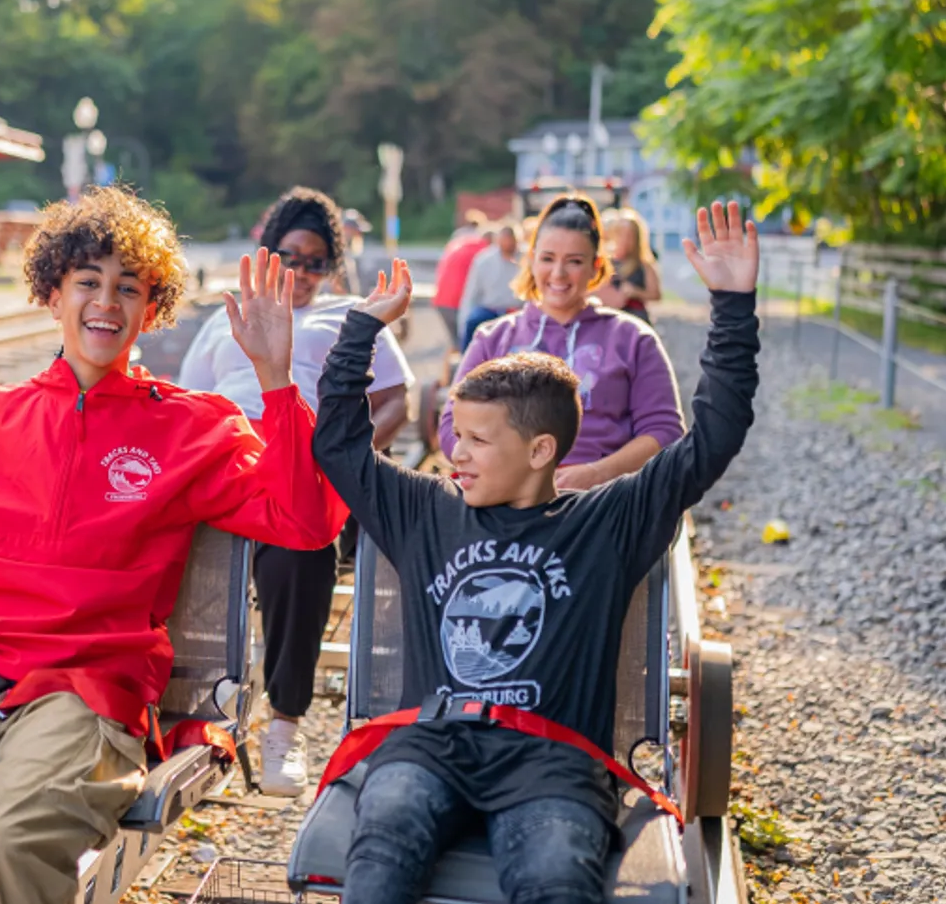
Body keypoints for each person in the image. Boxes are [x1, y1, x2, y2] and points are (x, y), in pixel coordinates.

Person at [0, 188, 346, 904]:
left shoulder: (192, 428)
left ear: (152, 309)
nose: (106, 301)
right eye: (88, 280)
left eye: (129, 287)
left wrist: (275, 379)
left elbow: (305, 523)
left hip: (85, 693)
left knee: (12, 844)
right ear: (54, 294)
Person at [311, 201, 761, 904]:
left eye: (477, 441)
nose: (454, 453)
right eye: (455, 435)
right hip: (430, 746)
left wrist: (733, 303)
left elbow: (711, 435)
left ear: (541, 450)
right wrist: (364, 327)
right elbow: (336, 443)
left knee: (556, 876)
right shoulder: (428, 508)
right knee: (386, 839)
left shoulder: (605, 523)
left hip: (552, 761)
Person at [177, 186, 414, 797]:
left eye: (316, 262)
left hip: (307, 465)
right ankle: (169, 704)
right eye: (291, 257)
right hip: (228, 463)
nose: (303, 273)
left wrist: (348, 462)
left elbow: (395, 401)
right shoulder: (226, 320)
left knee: (303, 549)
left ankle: (285, 719)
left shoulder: (348, 316)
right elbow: (188, 407)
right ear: (267, 253)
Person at [439, 194, 683, 491]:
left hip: (603, 498)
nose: (558, 274)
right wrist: (511, 476)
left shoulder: (634, 338)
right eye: (548, 259)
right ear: (531, 261)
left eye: (575, 262)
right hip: (505, 497)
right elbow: (451, 424)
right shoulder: (493, 337)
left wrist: (596, 473)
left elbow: (664, 430)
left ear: (596, 267)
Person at [456, 222, 522, 348]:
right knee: (473, 321)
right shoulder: (484, 260)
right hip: (490, 310)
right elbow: (471, 294)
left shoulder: (526, 259)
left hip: (518, 311)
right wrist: (463, 321)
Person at [432, 212, 492, 345]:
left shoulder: (460, 241)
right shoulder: (484, 252)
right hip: (457, 301)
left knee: (455, 344)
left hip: (442, 298)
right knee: (469, 346)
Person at [594, 207, 662, 324]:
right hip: (609, 317)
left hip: (635, 317)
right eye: (621, 234)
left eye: (630, 236)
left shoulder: (644, 264)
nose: (625, 239)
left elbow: (656, 294)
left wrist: (636, 292)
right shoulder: (605, 260)